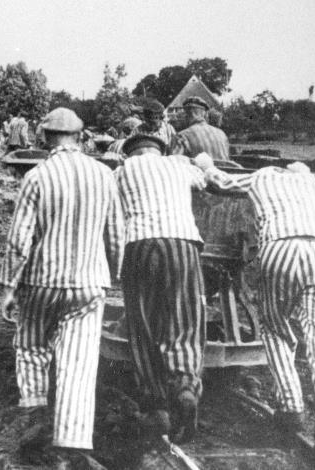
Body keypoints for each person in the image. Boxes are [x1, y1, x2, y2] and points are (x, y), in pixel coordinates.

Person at [0, 107, 122, 470]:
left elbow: (18, 240)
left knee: (32, 346)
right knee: (78, 363)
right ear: (81, 136)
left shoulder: (37, 177)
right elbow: (116, 234)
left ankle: (35, 420)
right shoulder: (104, 175)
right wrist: (111, 275)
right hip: (89, 284)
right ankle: (70, 443)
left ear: (44, 137)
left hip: (41, 281)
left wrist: (8, 287)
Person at [201, 158, 315, 460]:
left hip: (281, 247)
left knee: (276, 328)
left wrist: (204, 163)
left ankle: (290, 408)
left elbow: (223, 182)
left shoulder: (263, 177)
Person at [114, 134, 209, 442]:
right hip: (182, 241)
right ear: (160, 150)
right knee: (185, 318)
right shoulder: (178, 165)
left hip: (139, 243)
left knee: (142, 323)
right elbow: (204, 179)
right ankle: (183, 386)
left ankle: (155, 402)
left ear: (129, 153)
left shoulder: (121, 171)